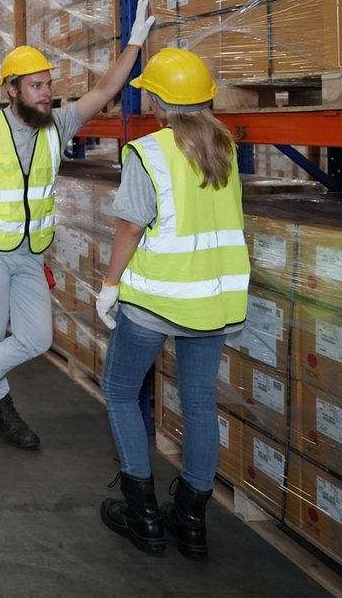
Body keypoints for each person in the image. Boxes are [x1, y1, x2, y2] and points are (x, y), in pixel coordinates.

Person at [0, 0, 154, 449]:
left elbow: (106, 89)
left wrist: (135, 44)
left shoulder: (59, 125)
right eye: (36, 86)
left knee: (36, 336)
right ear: (12, 90)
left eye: (48, 85)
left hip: (30, 253)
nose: (47, 93)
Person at [95, 47, 248, 558]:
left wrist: (110, 285)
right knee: (200, 403)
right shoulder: (225, 146)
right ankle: (190, 520)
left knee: (119, 390)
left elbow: (132, 226)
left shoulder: (150, 151)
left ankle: (143, 516)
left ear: (158, 101)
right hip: (213, 302)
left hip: (155, 302)